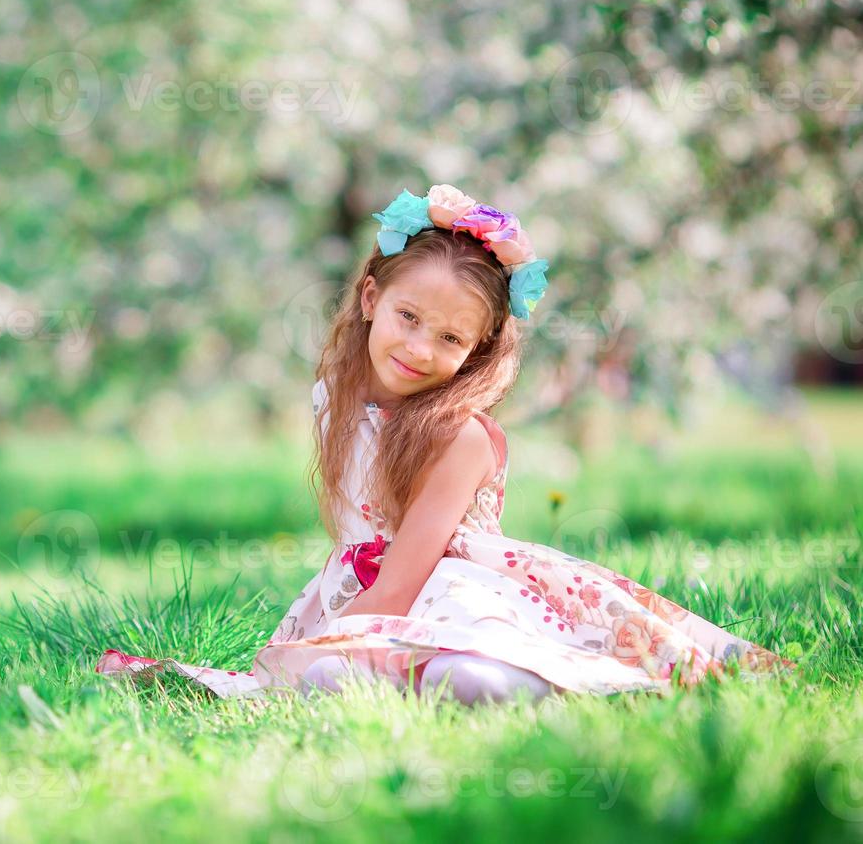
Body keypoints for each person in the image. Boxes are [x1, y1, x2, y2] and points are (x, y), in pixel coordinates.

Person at [95, 185, 796, 704]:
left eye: (451, 338)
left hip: (448, 592)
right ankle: (399, 679)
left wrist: (316, 644)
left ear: (479, 348)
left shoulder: (457, 437)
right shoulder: (334, 401)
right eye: (408, 317)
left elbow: (404, 580)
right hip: (365, 592)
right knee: (331, 676)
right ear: (370, 298)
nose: (420, 347)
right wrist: (320, 640)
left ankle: (506, 683)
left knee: (457, 671)